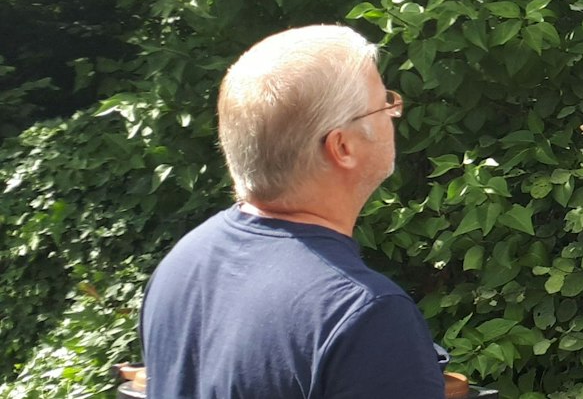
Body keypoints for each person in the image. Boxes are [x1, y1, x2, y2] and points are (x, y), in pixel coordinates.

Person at [140, 24, 444, 399]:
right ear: (342, 146)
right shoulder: (366, 315)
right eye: (385, 103)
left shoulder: (183, 263)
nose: (395, 113)